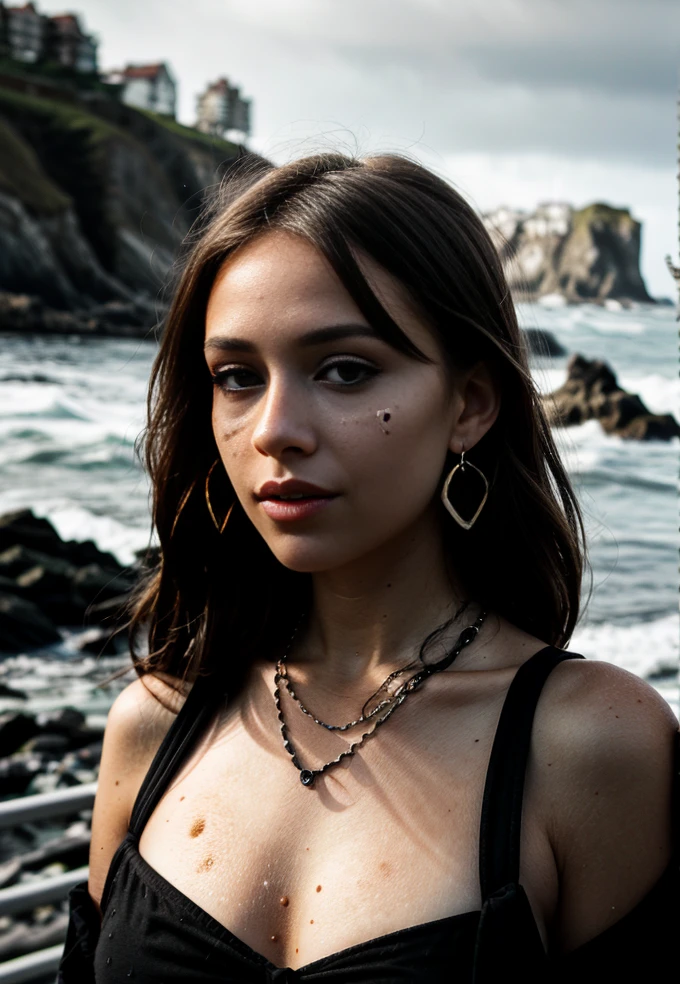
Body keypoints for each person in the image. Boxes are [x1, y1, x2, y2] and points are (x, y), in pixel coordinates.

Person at [58, 153, 678, 983]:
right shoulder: (153, 727)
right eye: (237, 377)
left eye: (344, 369)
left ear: (471, 405)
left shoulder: (591, 746)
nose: (275, 429)